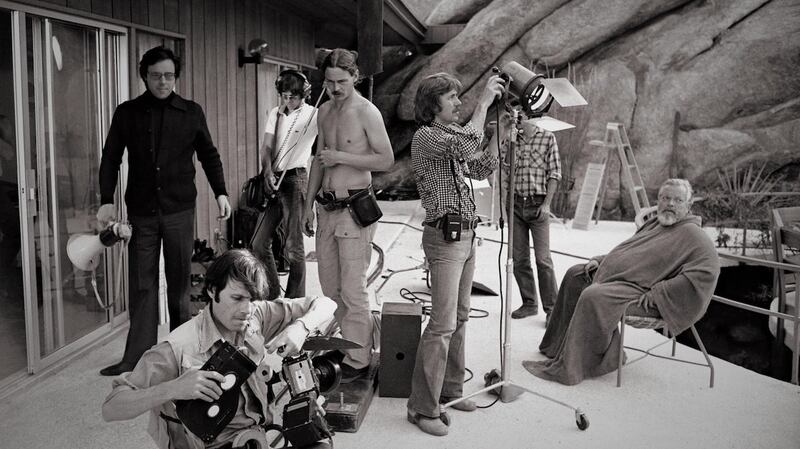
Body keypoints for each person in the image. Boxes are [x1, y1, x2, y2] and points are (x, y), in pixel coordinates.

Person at [102, 249, 336, 449]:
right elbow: (111, 408)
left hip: (259, 438)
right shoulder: (177, 348)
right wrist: (173, 388)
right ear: (213, 291)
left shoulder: (255, 317)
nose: (246, 309)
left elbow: (327, 304)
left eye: (252, 299)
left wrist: (300, 328)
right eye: (237, 298)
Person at [97, 46, 232, 376]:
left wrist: (221, 192)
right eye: (156, 75)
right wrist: (106, 198)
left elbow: (209, 155)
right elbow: (111, 157)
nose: (163, 82)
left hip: (178, 211)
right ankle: (137, 359)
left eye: (169, 76)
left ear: (176, 77)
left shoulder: (191, 112)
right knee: (142, 285)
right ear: (144, 76)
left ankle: (182, 356)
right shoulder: (127, 112)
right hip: (141, 211)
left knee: (179, 286)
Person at [523, 179, 720, 385]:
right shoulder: (655, 223)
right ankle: (557, 349)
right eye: (666, 198)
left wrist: (660, 293)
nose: (670, 204)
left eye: (678, 200)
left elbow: (708, 271)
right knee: (575, 275)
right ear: (658, 200)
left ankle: (586, 362)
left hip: (644, 295)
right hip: (623, 280)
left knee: (593, 296)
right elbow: (629, 251)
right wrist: (600, 261)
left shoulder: (693, 235)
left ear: (689, 205)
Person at [406, 72, 505, 436]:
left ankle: (450, 391)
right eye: (452, 97)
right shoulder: (427, 136)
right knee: (442, 325)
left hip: (466, 235)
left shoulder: (451, 136)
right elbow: (465, 147)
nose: (459, 103)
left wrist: (500, 134)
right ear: (433, 104)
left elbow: (479, 166)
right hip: (444, 240)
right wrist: (485, 103)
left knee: (460, 318)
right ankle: (421, 408)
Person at [302, 48, 394, 383]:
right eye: (329, 82)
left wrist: (342, 156)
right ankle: (349, 343)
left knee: (354, 290)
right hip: (326, 208)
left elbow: (385, 159)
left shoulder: (367, 112)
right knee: (331, 287)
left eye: (341, 81)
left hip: (354, 209)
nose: (335, 88)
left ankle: (359, 358)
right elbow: (318, 160)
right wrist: (306, 205)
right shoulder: (324, 111)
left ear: (355, 77)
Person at [251, 69, 318, 301]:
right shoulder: (275, 114)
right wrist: (267, 171)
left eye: (293, 97)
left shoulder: (314, 114)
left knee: (293, 246)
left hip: (296, 179)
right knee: (258, 243)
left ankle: (294, 300)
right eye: (285, 96)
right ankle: (272, 297)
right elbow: (266, 147)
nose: (288, 101)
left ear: (304, 94)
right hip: (274, 178)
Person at [500, 118, 561, 321]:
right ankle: (529, 303)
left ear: (531, 117)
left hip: (538, 204)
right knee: (519, 259)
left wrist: (547, 204)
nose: (517, 118)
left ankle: (552, 310)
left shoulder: (547, 137)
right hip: (515, 204)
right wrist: (509, 140)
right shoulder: (511, 139)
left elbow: (555, 174)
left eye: (521, 114)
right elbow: (504, 168)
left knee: (543, 260)